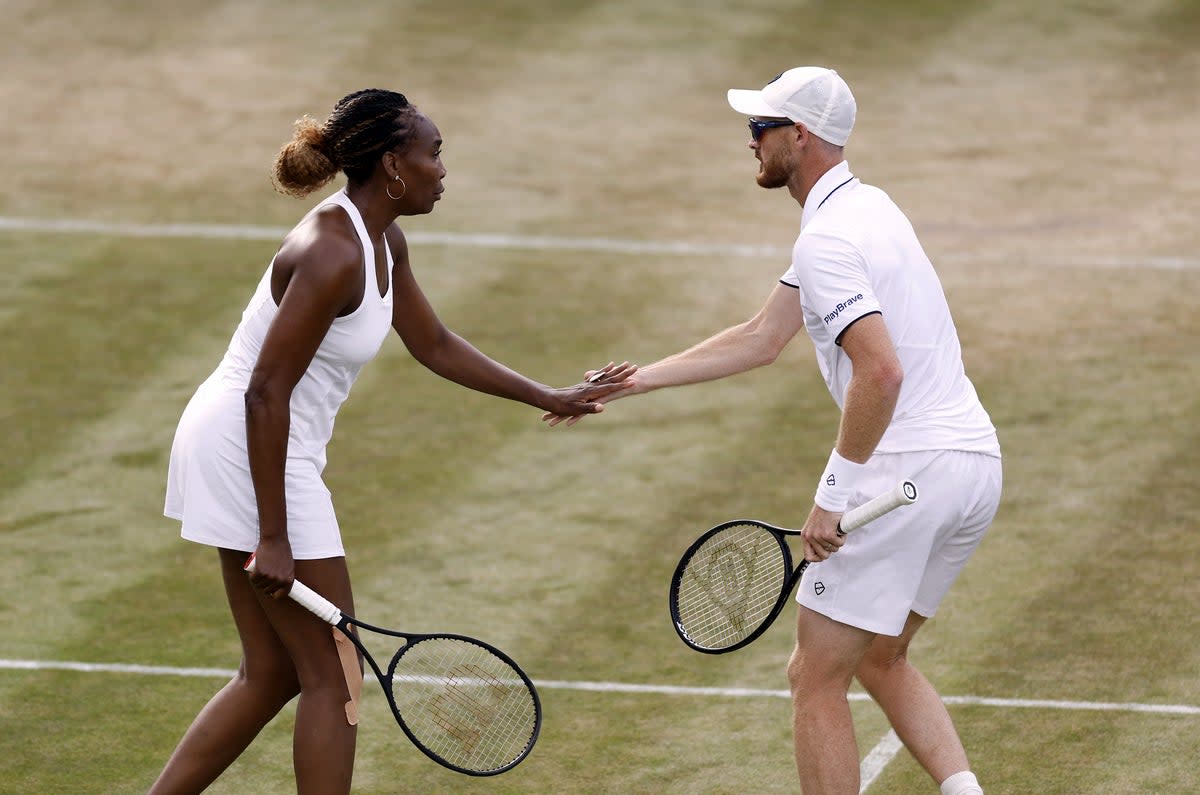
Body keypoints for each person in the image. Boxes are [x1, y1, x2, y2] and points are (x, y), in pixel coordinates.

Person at [150, 88, 634, 795]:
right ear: (392, 166)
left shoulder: (382, 241)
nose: (443, 170)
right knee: (336, 672)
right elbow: (264, 392)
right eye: (433, 154)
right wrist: (276, 536)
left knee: (274, 672)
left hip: (257, 441)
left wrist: (548, 393)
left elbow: (433, 343)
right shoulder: (330, 254)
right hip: (249, 445)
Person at [545, 67, 1000, 795]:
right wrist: (630, 383)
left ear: (801, 137)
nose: (750, 141)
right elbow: (762, 336)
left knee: (813, 675)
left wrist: (834, 495)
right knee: (881, 656)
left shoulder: (827, 241)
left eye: (761, 129)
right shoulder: (869, 210)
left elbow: (880, 374)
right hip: (973, 466)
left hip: (905, 471)